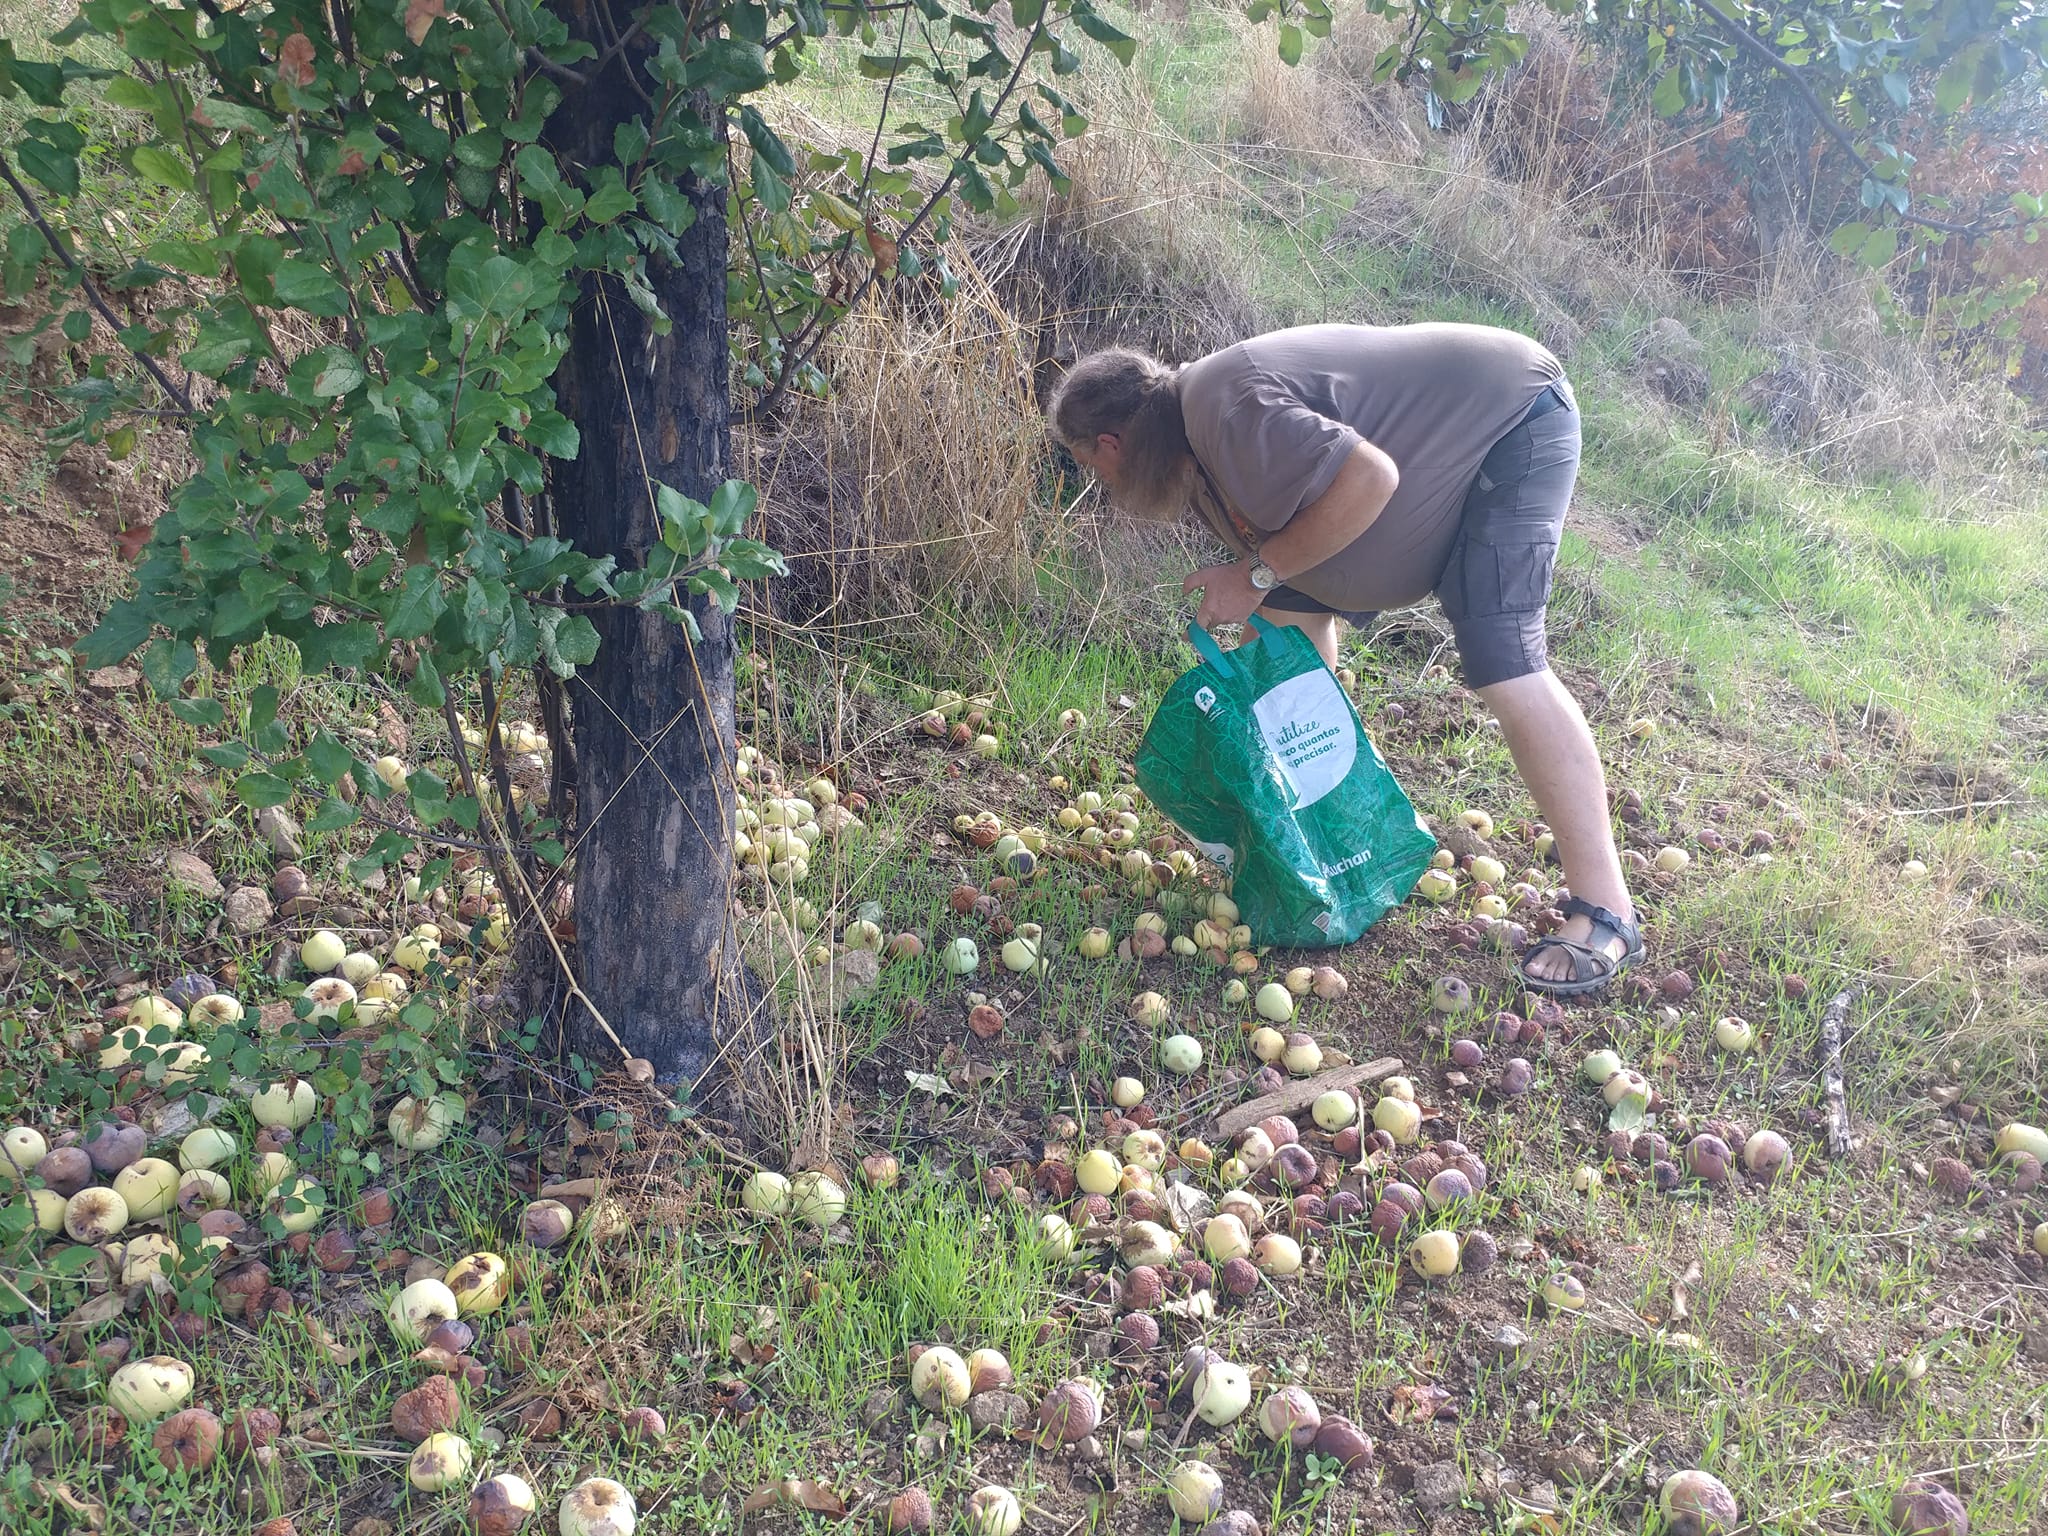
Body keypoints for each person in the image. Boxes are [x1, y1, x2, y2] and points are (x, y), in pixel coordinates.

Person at [1047, 321, 1640, 997]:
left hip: (1512, 422)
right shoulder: (1195, 449)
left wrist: (1253, 576)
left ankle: (1607, 910)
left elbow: (1369, 477)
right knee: (1287, 630)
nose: (1100, 483)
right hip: (1460, 437)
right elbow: (1292, 570)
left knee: (1504, 656)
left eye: (1089, 466)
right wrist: (1264, 580)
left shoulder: (1222, 406)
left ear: (1110, 444)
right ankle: (1329, 838)